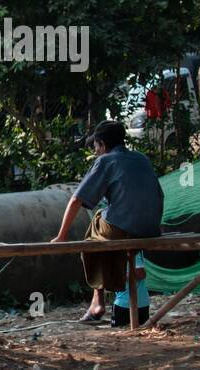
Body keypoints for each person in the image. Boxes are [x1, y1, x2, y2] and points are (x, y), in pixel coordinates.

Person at [51, 120, 164, 323]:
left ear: (102, 144)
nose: (95, 151)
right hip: (151, 226)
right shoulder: (141, 158)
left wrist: (61, 236)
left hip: (125, 227)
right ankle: (102, 300)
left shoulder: (105, 161)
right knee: (104, 230)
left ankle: (97, 301)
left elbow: (77, 199)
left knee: (94, 230)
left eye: (95, 146)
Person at [112, 252, 150, 328]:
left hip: (125, 303)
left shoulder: (134, 251)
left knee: (119, 335)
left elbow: (141, 273)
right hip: (132, 302)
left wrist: (115, 275)